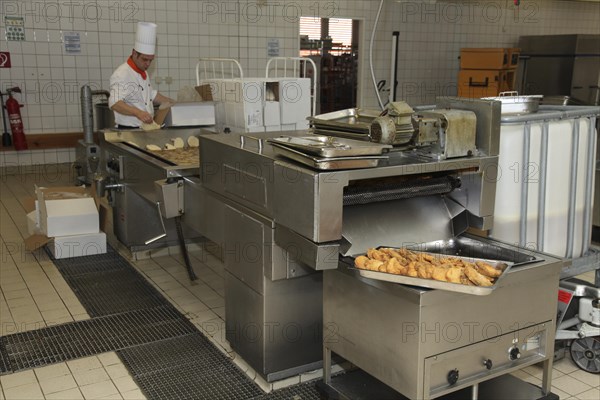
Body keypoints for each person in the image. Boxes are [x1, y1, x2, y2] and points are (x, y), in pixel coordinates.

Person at [109, 22, 174, 129]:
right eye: (145, 59)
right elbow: (114, 103)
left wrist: (172, 102)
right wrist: (138, 113)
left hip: (145, 129)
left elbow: (150, 95)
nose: (148, 64)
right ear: (134, 53)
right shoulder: (121, 74)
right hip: (129, 130)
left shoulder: (143, 71)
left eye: (150, 60)